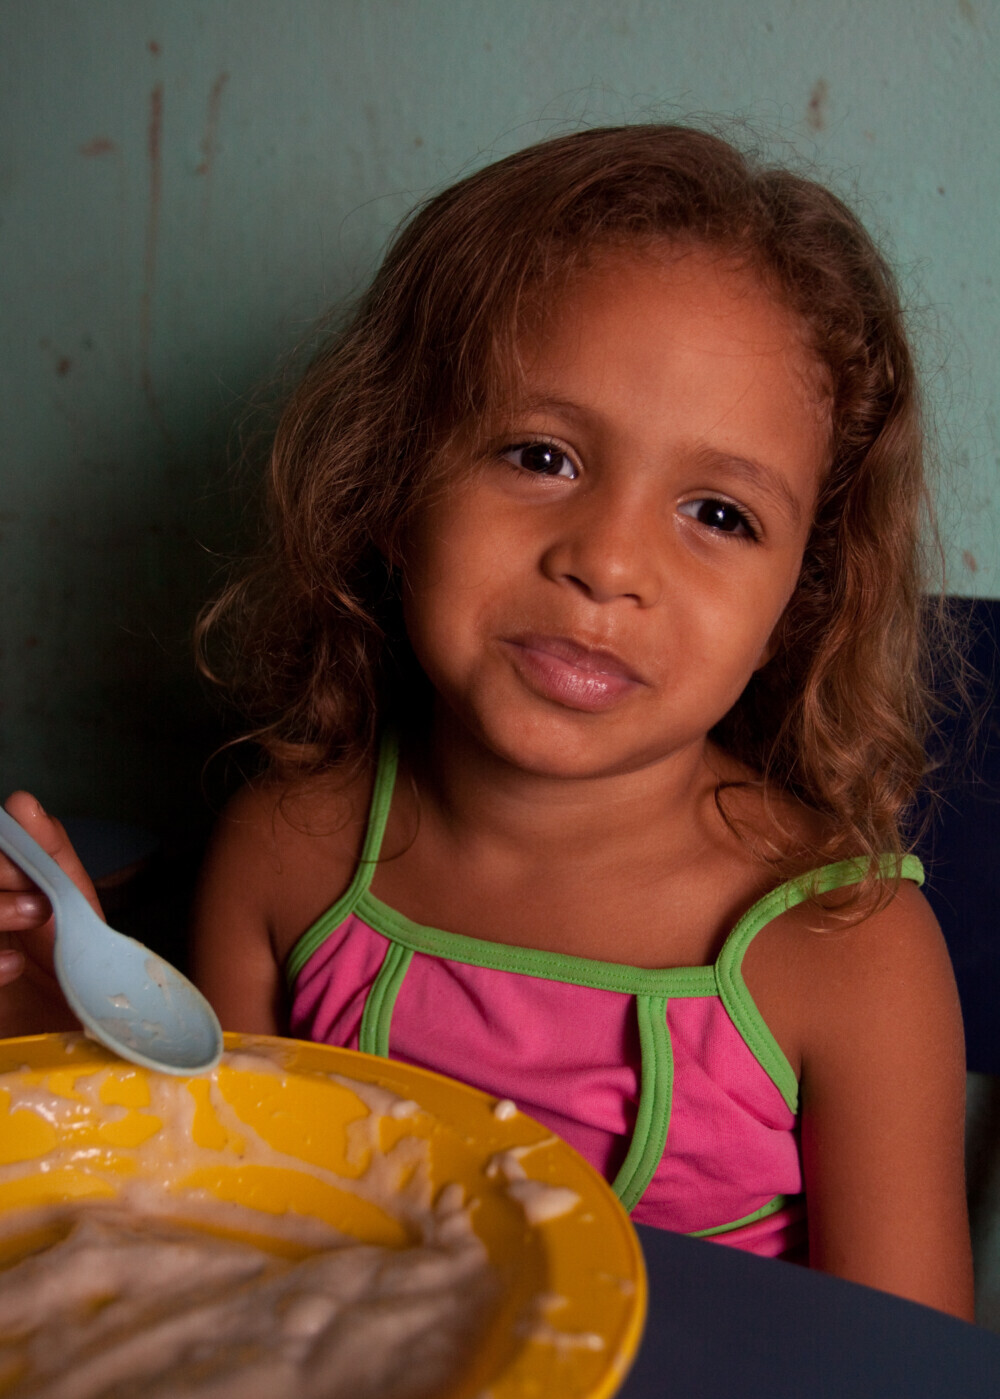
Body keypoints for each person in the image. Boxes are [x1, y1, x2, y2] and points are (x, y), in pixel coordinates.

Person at [0, 125, 973, 1317]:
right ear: (393, 487)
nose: (608, 561)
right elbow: (219, 1250)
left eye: (718, 513)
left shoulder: (847, 954)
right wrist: (63, 1035)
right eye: (542, 453)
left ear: (797, 603)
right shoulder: (285, 855)